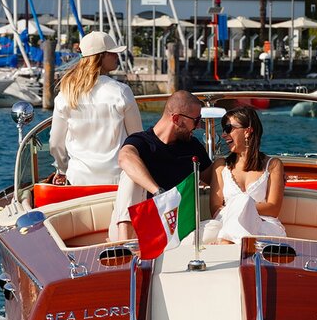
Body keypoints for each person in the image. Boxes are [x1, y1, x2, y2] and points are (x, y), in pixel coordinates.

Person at [109, 90, 210, 242]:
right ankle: (125, 247)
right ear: (176, 119)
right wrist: (158, 193)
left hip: (170, 228)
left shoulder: (193, 147)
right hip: (136, 227)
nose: (198, 126)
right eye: (196, 121)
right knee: (130, 176)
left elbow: (213, 177)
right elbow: (125, 158)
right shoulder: (141, 142)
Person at [49, 31, 141, 187]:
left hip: (78, 179)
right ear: (101, 56)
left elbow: (55, 144)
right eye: (113, 53)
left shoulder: (66, 95)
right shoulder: (121, 92)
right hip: (118, 180)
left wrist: (63, 169)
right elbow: (137, 139)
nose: (117, 56)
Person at [208, 104, 285, 241]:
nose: (223, 134)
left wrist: (243, 206)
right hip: (225, 222)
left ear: (247, 131)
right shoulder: (220, 166)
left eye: (228, 128)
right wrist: (240, 208)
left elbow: (273, 209)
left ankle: (227, 246)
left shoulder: (273, 165)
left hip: (263, 226)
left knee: (243, 200)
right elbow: (215, 209)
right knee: (195, 239)